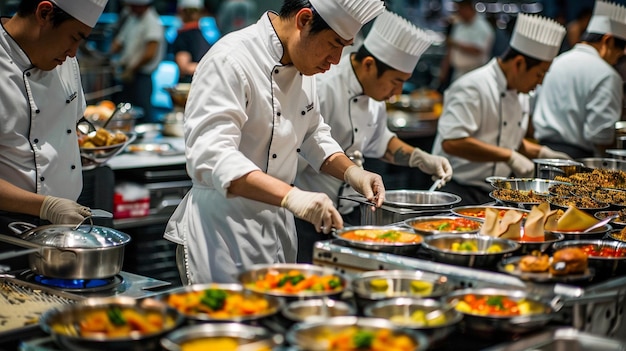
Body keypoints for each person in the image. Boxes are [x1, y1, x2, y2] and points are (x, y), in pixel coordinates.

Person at [164, 0, 386, 284]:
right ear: (304, 21)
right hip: (222, 233)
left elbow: (313, 132)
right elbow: (213, 156)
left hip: (277, 227)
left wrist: (353, 172)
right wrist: (292, 196)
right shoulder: (230, 59)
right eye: (334, 44)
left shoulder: (304, 63)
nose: (336, 60)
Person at [294, 10, 453, 263]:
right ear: (369, 66)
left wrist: (419, 158)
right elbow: (301, 151)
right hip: (310, 217)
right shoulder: (322, 86)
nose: (396, 93)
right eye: (395, 82)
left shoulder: (375, 94)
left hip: (354, 213)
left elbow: (381, 141)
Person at [432, 13, 570, 206]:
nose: (540, 83)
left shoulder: (520, 93)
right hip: (459, 192)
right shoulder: (472, 86)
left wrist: (543, 153)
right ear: (519, 63)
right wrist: (510, 156)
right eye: (539, 74)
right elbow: (452, 142)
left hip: (496, 193)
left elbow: (507, 137)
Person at [0, 0, 109, 230]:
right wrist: (46, 206)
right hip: (8, 229)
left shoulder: (66, 62)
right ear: (45, 12)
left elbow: (69, 127)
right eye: (74, 37)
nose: (73, 53)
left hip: (65, 223)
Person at [533, 0, 626, 159]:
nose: (618, 59)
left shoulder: (557, 62)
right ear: (608, 41)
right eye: (618, 53)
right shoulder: (607, 75)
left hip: (541, 154)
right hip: (577, 161)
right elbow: (600, 135)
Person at [110, 0, 164, 123]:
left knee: (142, 113)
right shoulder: (132, 19)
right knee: (123, 113)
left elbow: (150, 53)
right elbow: (118, 43)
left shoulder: (152, 22)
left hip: (141, 76)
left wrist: (132, 68)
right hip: (127, 73)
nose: (130, 9)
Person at [438, 0, 494, 88]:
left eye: (460, 9)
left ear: (468, 8)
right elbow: (450, 50)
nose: (458, 12)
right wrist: (443, 70)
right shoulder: (459, 25)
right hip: (458, 72)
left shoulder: (482, 27)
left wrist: (455, 43)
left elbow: (477, 50)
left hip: (475, 73)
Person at [172, 0, 211, 83]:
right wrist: (210, 68)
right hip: (191, 85)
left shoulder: (201, 34)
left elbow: (184, 66)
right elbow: (184, 67)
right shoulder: (184, 36)